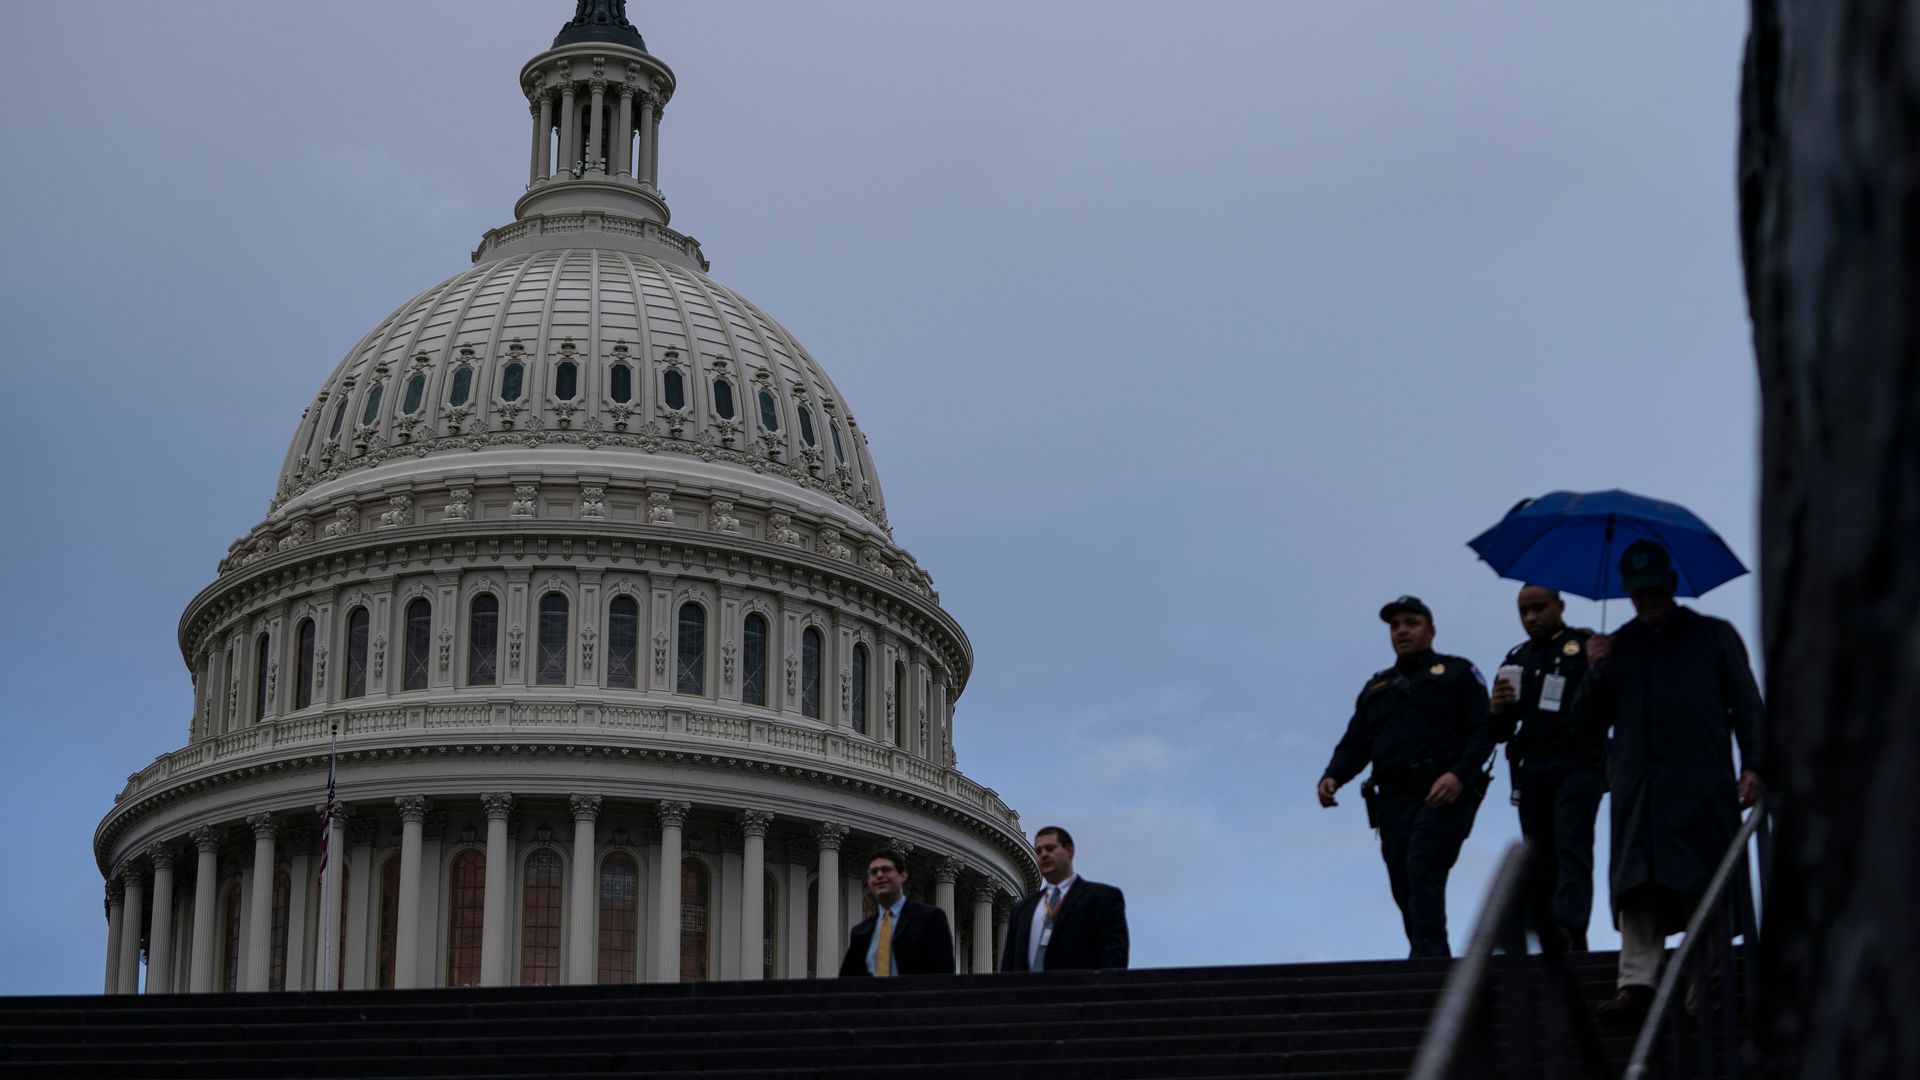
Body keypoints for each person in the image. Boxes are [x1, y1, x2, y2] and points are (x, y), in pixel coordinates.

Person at [1576, 540, 1764, 1024]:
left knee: (1706, 885)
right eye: (1638, 592)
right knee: (1638, 886)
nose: (1647, 600)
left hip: (1700, 784)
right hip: (1639, 788)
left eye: (1654, 589)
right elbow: (1585, 724)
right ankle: (1636, 986)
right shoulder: (1617, 647)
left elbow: (1747, 705)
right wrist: (1594, 670)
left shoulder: (1715, 636)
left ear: (1672, 585)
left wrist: (1756, 765)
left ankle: (1709, 991)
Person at [1318, 596, 1493, 958]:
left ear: (1430, 630)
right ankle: (1429, 956)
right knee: (1403, 882)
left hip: (1442, 792)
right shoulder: (1376, 688)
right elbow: (1356, 742)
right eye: (1395, 626)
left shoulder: (1458, 673)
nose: (1401, 631)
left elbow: (1483, 732)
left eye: (1410, 623)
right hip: (1393, 800)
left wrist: (1458, 776)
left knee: (1423, 864)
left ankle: (1428, 962)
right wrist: (1333, 776)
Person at [1489, 584, 1604, 953]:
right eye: (1523, 611)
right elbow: (1501, 732)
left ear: (1560, 605)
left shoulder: (1584, 645)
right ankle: (1559, 942)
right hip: (1533, 767)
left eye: (1538, 608)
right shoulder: (1516, 658)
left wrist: (1600, 666)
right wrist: (1497, 709)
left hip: (1578, 763)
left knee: (1572, 844)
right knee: (1539, 859)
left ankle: (1569, 931)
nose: (1530, 618)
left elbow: (1608, 702)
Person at [1000, 826, 1129, 971]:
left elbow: (1114, 960)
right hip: (1027, 992)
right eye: (1039, 851)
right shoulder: (1022, 909)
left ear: (1069, 850)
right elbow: (1009, 966)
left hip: (1078, 991)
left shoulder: (1102, 899)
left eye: (1050, 848)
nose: (1043, 855)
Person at [838, 850, 956, 977]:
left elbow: (944, 975)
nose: (879, 875)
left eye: (886, 869)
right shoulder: (860, 932)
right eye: (873, 872)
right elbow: (847, 981)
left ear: (903, 875)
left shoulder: (931, 918)